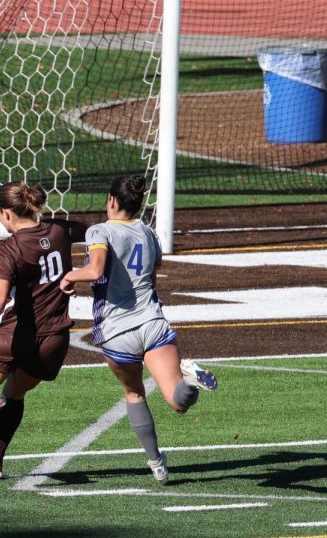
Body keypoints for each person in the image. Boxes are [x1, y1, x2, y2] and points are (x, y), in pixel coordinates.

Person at [59, 174, 218, 485]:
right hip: (153, 323)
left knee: (133, 392)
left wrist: (69, 277)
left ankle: (157, 463)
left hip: (119, 332)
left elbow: (96, 269)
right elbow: (153, 276)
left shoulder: (100, 230)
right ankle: (191, 379)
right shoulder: (148, 232)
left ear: (112, 201)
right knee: (178, 401)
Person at [0, 181, 86, 480]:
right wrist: (82, 272)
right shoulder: (59, 230)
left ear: (5, 213)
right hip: (54, 339)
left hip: (13, 336)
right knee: (14, 395)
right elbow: (96, 233)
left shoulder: (9, 248)